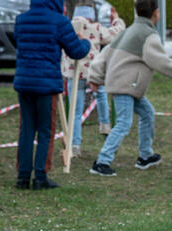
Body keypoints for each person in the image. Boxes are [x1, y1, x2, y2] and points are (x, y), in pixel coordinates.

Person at [88, 0, 172, 177]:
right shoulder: (148, 35)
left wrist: (95, 77)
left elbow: (105, 54)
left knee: (147, 113)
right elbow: (164, 63)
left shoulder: (127, 31)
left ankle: (145, 156)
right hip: (126, 85)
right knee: (123, 123)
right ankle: (102, 161)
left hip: (127, 85)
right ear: (156, 13)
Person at [12, 0, 90, 190]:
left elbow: (19, 43)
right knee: (46, 131)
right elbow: (76, 51)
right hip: (46, 85)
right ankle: (40, 176)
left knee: (26, 130)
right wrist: (85, 41)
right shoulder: (59, 21)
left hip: (24, 82)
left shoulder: (21, 20)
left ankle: (23, 176)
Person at [61, 0, 125, 157]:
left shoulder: (67, 28)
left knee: (75, 111)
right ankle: (104, 124)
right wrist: (116, 18)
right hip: (93, 72)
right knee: (101, 93)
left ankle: (75, 145)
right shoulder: (96, 28)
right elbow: (116, 32)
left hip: (73, 73)